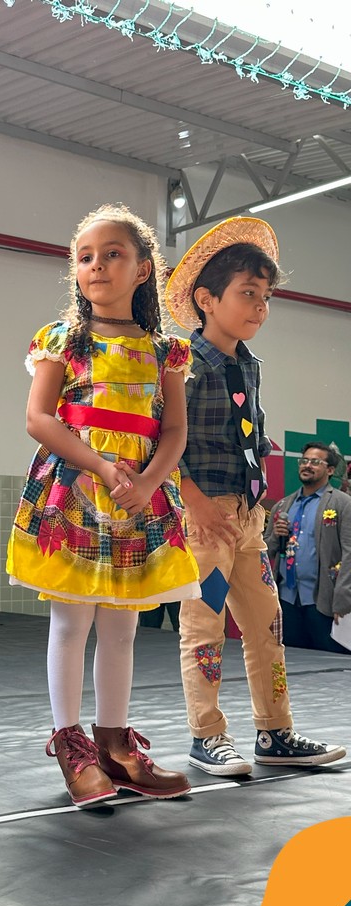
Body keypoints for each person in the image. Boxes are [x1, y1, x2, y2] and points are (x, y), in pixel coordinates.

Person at [6, 204, 201, 806]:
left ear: (143, 269)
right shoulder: (62, 340)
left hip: (139, 496)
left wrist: (149, 482)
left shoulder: (166, 350)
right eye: (85, 257)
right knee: (72, 622)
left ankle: (116, 747)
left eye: (112, 254)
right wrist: (100, 465)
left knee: (123, 626)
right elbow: (39, 418)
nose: (96, 265)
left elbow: (174, 431)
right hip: (77, 488)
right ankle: (72, 746)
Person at [164, 217, 346, 776]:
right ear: (206, 299)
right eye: (247, 294)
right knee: (204, 625)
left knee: (268, 626)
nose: (260, 308)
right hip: (204, 519)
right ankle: (207, 735)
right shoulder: (183, 364)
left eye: (265, 297)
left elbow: (246, 437)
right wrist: (193, 500)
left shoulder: (247, 364)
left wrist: (260, 506)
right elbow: (161, 441)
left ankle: (275, 731)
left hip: (246, 520)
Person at [264, 442, 351, 653]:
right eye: (304, 460)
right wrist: (276, 535)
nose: (307, 465)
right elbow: (265, 551)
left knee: (329, 663)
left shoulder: (343, 504)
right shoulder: (283, 505)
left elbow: (349, 554)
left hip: (324, 602)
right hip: (286, 600)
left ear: (330, 470)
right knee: (291, 661)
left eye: (315, 462)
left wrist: (343, 601)